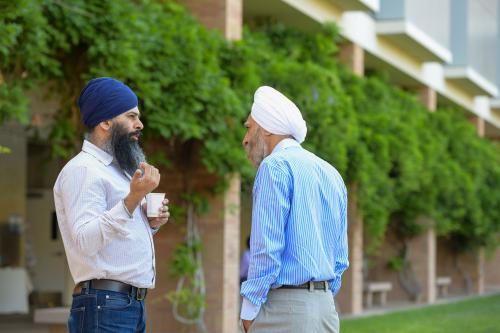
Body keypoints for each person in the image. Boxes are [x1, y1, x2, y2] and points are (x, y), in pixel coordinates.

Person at [53, 77, 169, 332]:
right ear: (105, 122)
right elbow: (86, 240)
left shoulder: (118, 171)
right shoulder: (83, 170)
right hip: (104, 305)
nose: (139, 124)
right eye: (131, 116)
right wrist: (132, 199)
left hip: (127, 305)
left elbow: (116, 238)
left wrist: (150, 224)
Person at [240, 86, 349, 333]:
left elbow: (266, 248)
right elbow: (340, 258)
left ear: (266, 128)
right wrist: (320, 298)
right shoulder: (331, 173)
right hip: (326, 310)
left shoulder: (274, 167)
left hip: (285, 311)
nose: (245, 138)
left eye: (248, 127)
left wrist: (248, 310)